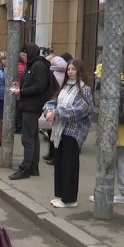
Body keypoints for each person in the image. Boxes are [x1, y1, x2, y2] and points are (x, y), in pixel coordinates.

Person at [44, 59, 94, 208]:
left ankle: (70, 199)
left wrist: (57, 113)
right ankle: (61, 195)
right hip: (60, 130)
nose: (70, 72)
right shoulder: (65, 86)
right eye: (68, 69)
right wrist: (49, 110)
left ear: (79, 71)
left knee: (70, 165)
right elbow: (53, 101)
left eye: (73, 69)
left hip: (74, 131)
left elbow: (82, 109)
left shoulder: (84, 89)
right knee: (60, 163)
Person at [89, 73, 124, 206]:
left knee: (107, 163)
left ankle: (103, 193)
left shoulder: (111, 89)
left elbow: (108, 112)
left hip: (116, 133)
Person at [9, 43, 51, 180]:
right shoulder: (33, 65)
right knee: (32, 137)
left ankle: (25, 168)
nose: (22, 58)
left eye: (24, 54)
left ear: (30, 53)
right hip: (30, 105)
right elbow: (34, 84)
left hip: (32, 106)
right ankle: (33, 166)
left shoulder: (38, 66)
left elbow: (40, 86)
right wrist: (20, 86)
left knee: (27, 138)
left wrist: (21, 91)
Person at [42, 55, 68, 164]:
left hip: (55, 105)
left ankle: (54, 155)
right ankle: (53, 154)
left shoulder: (53, 75)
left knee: (54, 132)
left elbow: (52, 89)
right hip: (56, 105)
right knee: (53, 132)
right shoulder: (63, 75)